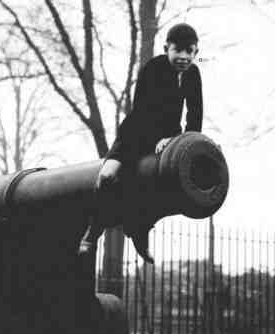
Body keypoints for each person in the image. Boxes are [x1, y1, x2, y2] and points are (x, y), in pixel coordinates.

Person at [79, 23, 203, 263]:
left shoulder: (193, 74)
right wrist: (161, 138)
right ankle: (94, 230)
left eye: (190, 52)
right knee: (107, 177)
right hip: (136, 134)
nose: (184, 57)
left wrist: (185, 142)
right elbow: (144, 111)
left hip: (167, 139)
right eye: (179, 51)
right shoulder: (153, 69)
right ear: (167, 48)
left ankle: (139, 231)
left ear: (196, 53)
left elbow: (195, 115)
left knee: (158, 184)